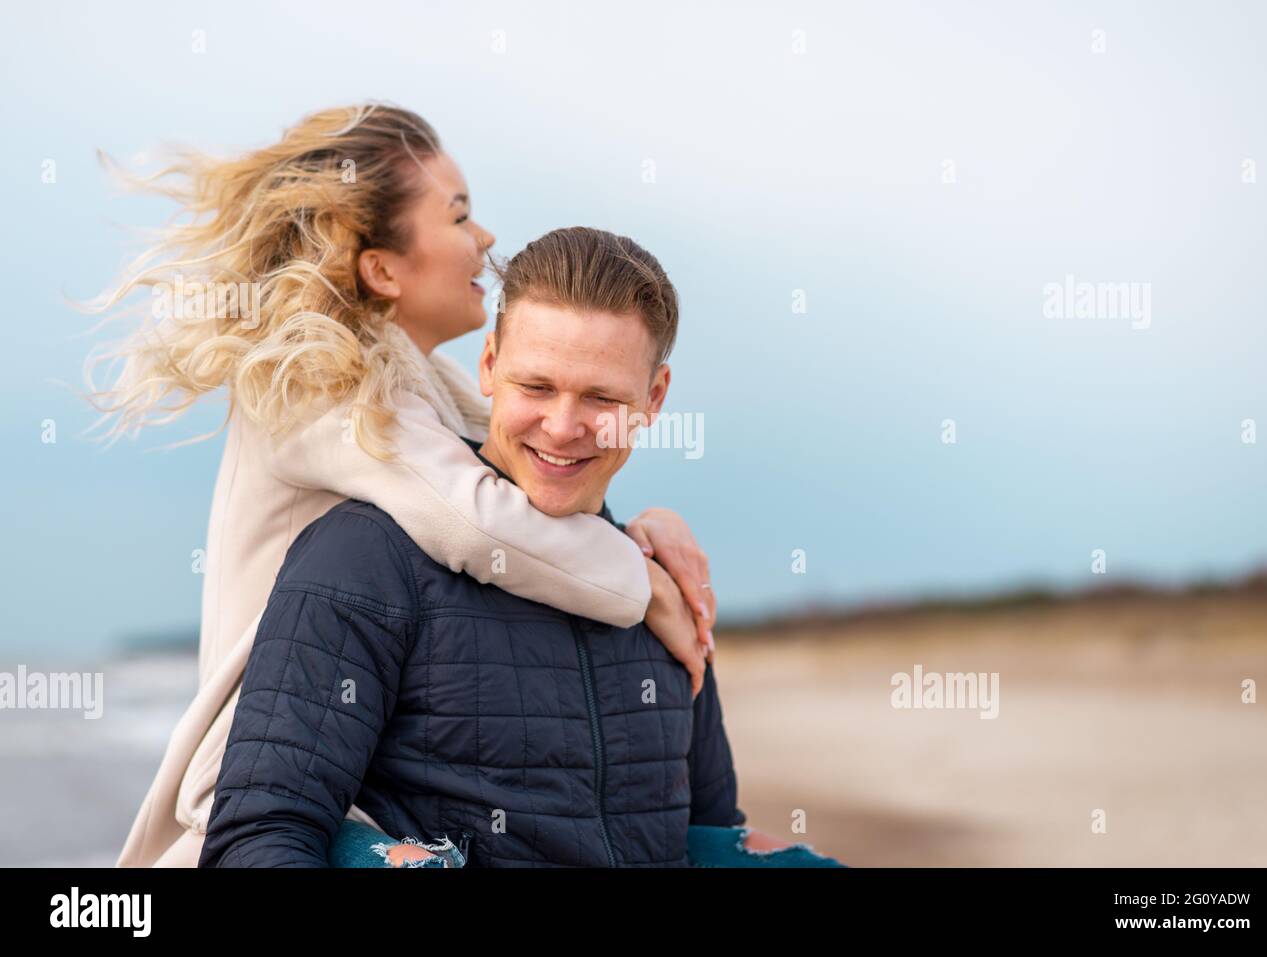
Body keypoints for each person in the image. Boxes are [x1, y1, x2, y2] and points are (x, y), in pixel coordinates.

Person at [84, 104, 717, 868]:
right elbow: (481, 521)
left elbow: (536, 464)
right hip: (268, 780)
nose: (485, 239)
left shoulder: (427, 388)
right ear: (383, 267)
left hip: (347, 771)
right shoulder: (318, 386)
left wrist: (647, 524)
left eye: (604, 398)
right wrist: (642, 584)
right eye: (458, 215)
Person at [199, 227, 842, 867]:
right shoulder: (365, 559)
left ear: (654, 397)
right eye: (536, 387)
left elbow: (710, 833)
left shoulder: (659, 592)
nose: (562, 427)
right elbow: (259, 839)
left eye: (601, 397)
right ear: (488, 366)